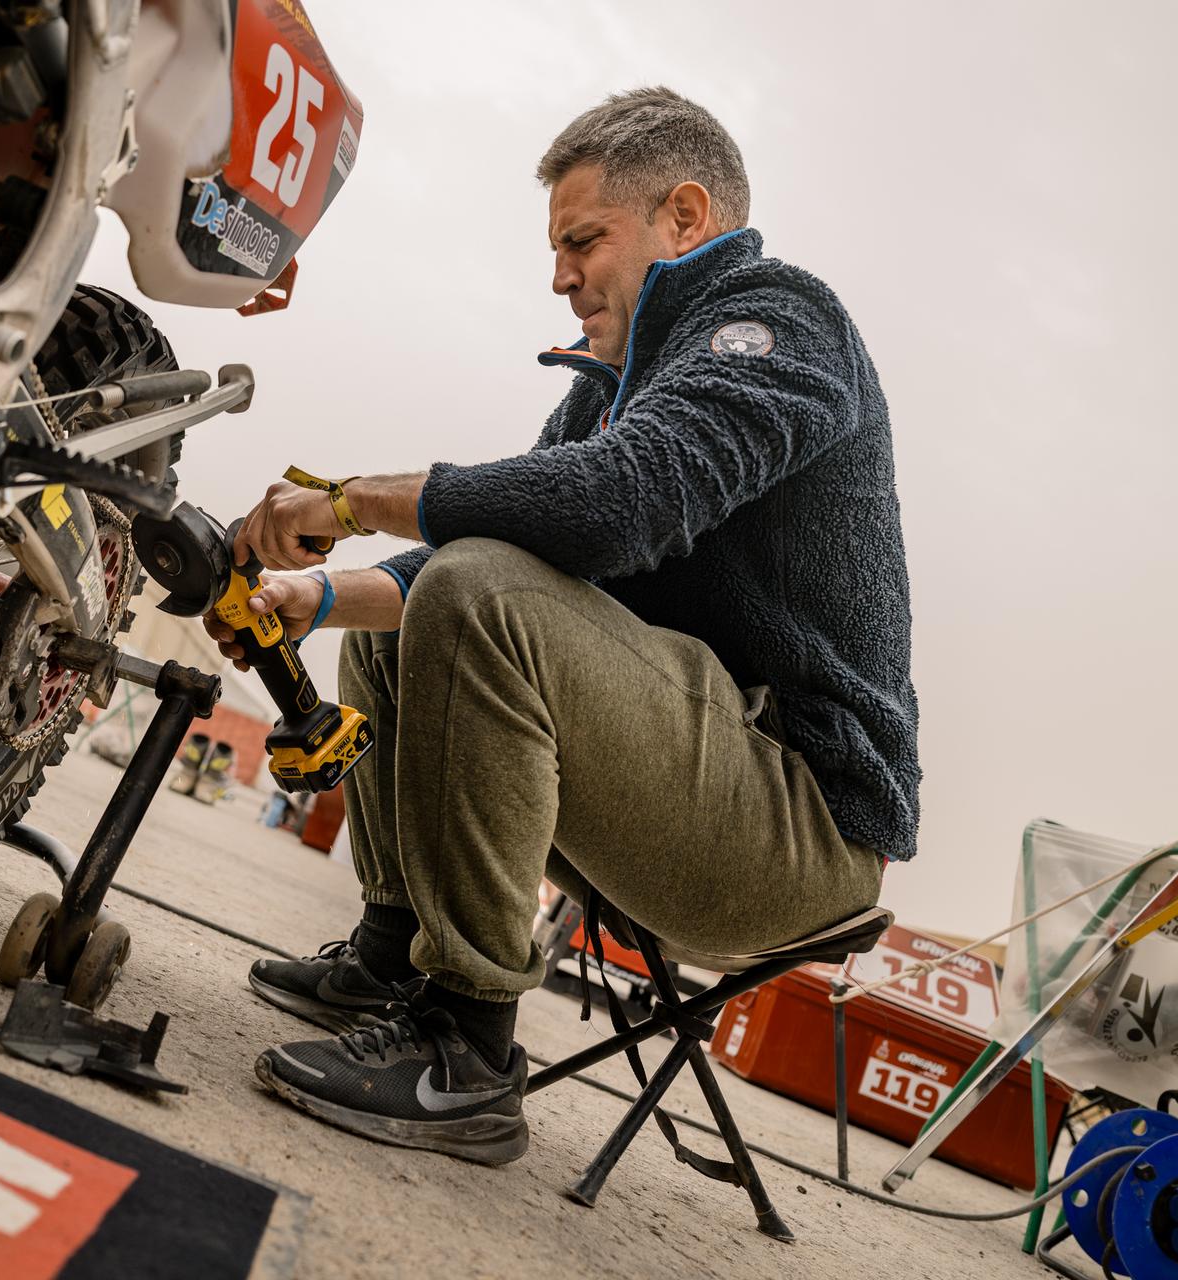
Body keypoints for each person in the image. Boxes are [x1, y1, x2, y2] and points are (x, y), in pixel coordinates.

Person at [205, 87, 920, 1166]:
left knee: (472, 586)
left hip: (798, 828)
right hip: (682, 779)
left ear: (685, 216)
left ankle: (466, 1049)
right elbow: (501, 555)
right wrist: (316, 599)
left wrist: (351, 501)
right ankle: (392, 958)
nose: (559, 276)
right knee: (413, 612)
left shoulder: (780, 322)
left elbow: (615, 504)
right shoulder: (614, 387)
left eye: (583, 241)